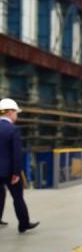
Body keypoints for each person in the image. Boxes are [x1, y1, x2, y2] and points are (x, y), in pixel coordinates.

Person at [0, 98, 38, 233]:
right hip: (10, 172)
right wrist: (16, 173)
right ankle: (24, 224)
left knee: (0, 193)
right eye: (16, 112)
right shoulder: (13, 129)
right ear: (10, 112)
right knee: (17, 197)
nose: (16, 115)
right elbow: (17, 154)